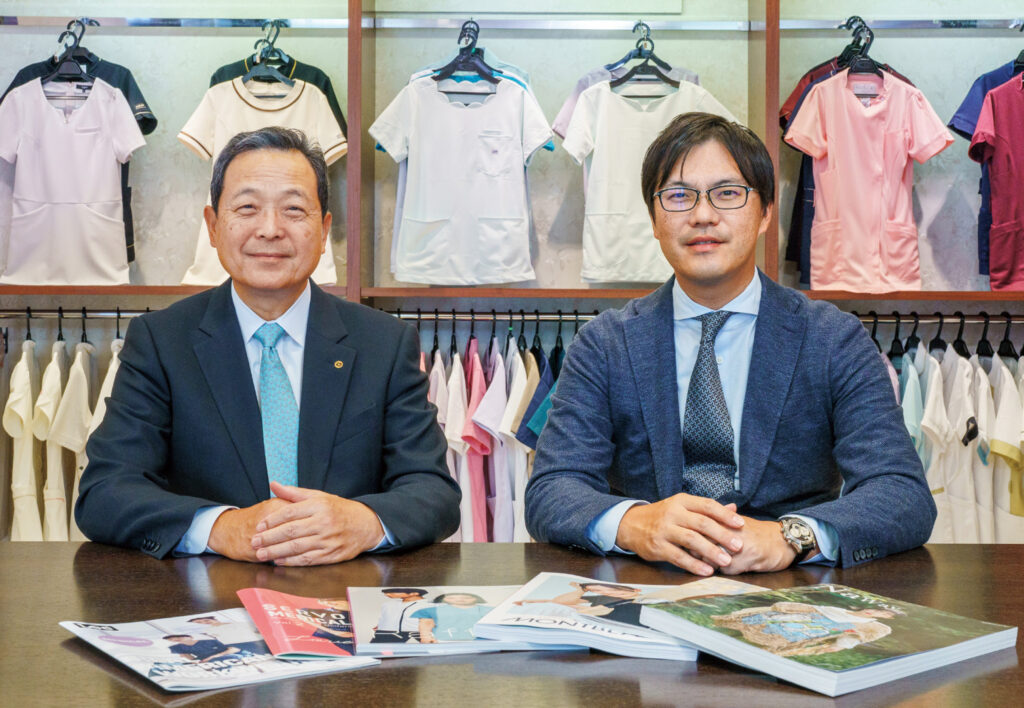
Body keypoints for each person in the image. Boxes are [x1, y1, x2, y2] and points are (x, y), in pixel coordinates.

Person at [525, 112, 935, 574]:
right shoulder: (604, 343)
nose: (703, 215)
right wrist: (635, 523)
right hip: (646, 585)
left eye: (727, 193)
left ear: (765, 213)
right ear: (654, 220)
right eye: (679, 196)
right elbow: (552, 489)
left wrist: (792, 536)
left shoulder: (832, 338)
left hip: (791, 589)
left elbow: (902, 493)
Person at [75, 127, 461, 565]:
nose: (270, 229)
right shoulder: (161, 341)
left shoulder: (384, 343)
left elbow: (434, 492)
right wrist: (220, 527)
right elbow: (105, 491)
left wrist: (362, 522)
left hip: (345, 588)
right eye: (247, 208)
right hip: (206, 595)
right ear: (213, 226)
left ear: (324, 230)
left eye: (294, 209)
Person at [710, 603, 899, 657]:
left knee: (771, 638)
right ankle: (720, 632)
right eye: (878, 610)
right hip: (797, 618)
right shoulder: (843, 609)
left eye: (883, 614)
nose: (875, 612)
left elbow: (857, 636)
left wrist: (840, 645)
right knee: (754, 621)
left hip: (810, 630)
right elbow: (814, 609)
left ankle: (738, 650)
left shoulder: (872, 625)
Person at [411, 593, 493, 643]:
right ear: (443, 599)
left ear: (476, 598)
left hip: (482, 642)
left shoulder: (490, 610)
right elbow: (426, 624)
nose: (460, 600)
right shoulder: (430, 611)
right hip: (442, 641)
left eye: (466, 598)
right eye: (451, 598)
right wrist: (426, 638)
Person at [186, 616, 269, 656]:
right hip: (241, 645)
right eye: (199, 623)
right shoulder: (208, 631)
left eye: (206, 620)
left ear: (214, 619)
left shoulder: (239, 623)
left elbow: (258, 630)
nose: (204, 623)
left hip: (259, 641)